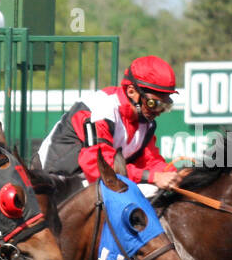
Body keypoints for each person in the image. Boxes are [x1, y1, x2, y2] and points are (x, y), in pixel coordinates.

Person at [35, 55, 186, 188]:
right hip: (53, 186)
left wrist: (176, 175)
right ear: (132, 91)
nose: (158, 112)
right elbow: (99, 167)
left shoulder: (146, 122)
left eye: (165, 106)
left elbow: (149, 162)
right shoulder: (100, 109)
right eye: (154, 104)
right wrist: (154, 177)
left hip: (91, 186)